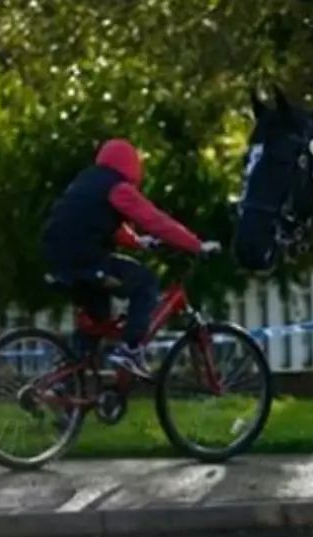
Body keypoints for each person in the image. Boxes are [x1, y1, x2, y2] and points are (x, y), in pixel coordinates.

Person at [40, 138, 221, 378]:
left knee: (98, 318)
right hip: (85, 259)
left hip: (57, 258)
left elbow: (98, 224)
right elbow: (155, 220)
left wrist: (137, 242)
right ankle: (131, 349)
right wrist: (195, 245)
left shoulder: (87, 181)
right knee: (145, 281)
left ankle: (69, 379)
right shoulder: (118, 187)